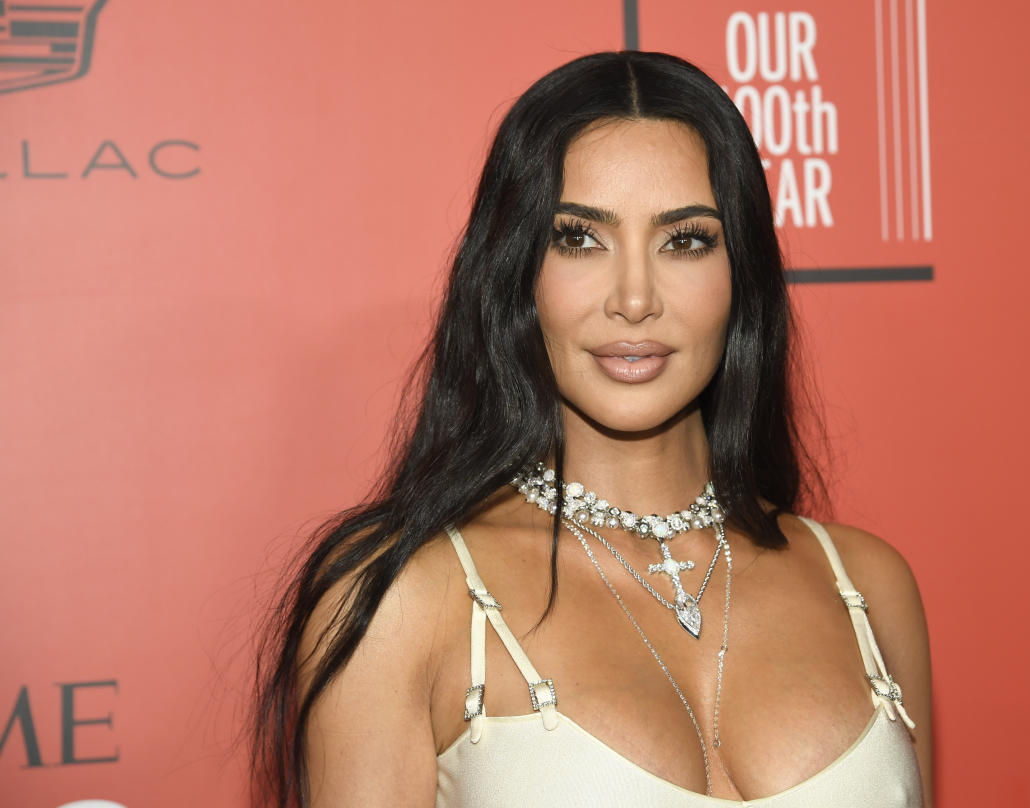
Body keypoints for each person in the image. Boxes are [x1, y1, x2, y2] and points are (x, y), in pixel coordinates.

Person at [250, 50, 932, 807]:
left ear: (742, 276)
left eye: (686, 240)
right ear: (515, 274)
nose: (635, 298)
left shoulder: (865, 587)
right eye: (579, 239)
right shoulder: (402, 598)